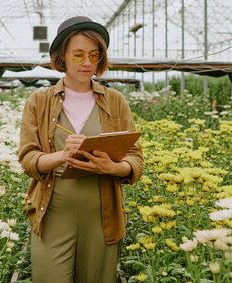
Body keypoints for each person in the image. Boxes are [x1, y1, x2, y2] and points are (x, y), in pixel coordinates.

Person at [19, 16, 144, 283]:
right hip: (53, 210)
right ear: (62, 57)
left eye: (94, 55)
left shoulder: (115, 101)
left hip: (102, 212)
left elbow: (135, 158)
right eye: (78, 55)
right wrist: (62, 156)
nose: (87, 63)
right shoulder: (39, 101)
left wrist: (114, 167)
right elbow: (28, 159)